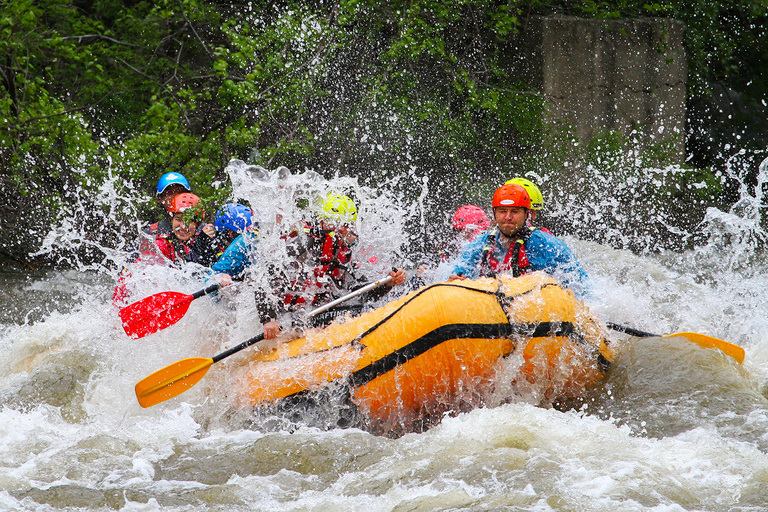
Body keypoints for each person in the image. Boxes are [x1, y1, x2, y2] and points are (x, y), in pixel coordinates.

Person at [214, 192, 406, 339]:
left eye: (350, 224)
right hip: (279, 314)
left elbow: (357, 292)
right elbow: (265, 277)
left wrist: (388, 283)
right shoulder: (302, 244)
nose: (349, 230)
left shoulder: (342, 252)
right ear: (329, 223)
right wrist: (269, 319)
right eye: (345, 224)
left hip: (310, 315)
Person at [449, 184, 591, 299]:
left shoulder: (546, 245)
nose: (508, 217)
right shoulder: (481, 245)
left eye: (515, 211)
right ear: (494, 214)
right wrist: (454, 279)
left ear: (527, 214)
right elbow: (457, 273)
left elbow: (582, 286)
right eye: (502, 211)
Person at [154, 193, 220, 267]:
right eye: (178, 219)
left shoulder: (207, 241)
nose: (183, 226)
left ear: (197, 224)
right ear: (171, 220)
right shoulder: (161, 246)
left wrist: (204, 242)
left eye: (190, 220)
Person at [146, 172, 193, 236]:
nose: (176, 196)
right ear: (160, 199)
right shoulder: (150, 234)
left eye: (181, 192)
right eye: (170, 193)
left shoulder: (204, 230)